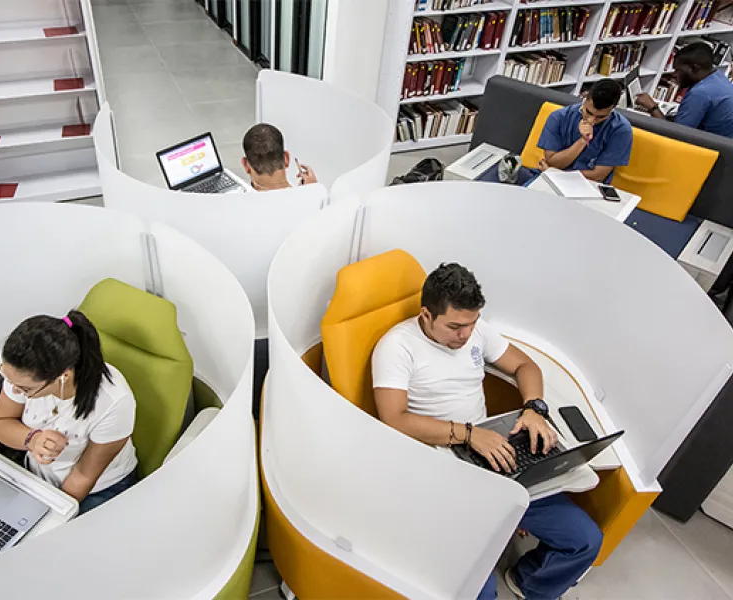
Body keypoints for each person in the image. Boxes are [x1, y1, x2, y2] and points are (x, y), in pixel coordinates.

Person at [371, 263, 602, 600]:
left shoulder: (476, 331)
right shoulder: (397, 346)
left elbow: (525, 365)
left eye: (472, 323)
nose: (465, 335)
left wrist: (535, 409)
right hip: (438, 462)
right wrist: (468, 434)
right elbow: (394, 419)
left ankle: (530, 583)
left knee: (584, 541)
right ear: (426, 315)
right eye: (454, 327)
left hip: (491, 451)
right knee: (480, 593)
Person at [0, 310, 138, 515]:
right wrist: (32, 439)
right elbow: (1, 422)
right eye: (7, 379)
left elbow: (83, 477)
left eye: (25, 389)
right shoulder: (20, 374)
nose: (14, 391)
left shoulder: (113, 402)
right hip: (37, 476)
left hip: (96, 489)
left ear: (63, 377)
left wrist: (45, 516)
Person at [483, 79, 632, 186]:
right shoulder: (559, 117)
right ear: (585, 98)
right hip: (548, 179)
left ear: (613, 109)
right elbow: (553, 162)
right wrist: (582, 141)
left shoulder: (621, 130)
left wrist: (554, 174)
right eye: (588, 112)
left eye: (600, 117)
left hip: (588, 188)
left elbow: (598, 176)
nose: (591, 120)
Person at [636, 42, 733, 138]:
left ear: (694, 69)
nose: (674, 74)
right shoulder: (718, 76)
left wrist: (652, 107)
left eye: (678, 70)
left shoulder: (700, 93)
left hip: (716, 145)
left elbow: (676, 135)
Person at [241, 123, 318, 191]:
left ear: (245, 165)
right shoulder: (313, 198)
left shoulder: (238, 200)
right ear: (286, 159)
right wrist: (312, 191)